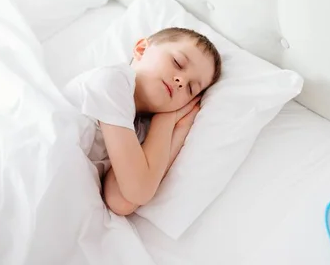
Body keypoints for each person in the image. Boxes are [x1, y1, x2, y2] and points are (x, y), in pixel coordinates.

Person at [63, 27, 222, 216]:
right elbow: (138, 189)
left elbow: (121, 201)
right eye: (178, 63)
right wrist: (168, 119)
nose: (181, 81)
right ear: (141, 49)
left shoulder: (140, 129)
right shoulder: (113, 82)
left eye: (190, 88)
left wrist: (172, 124)